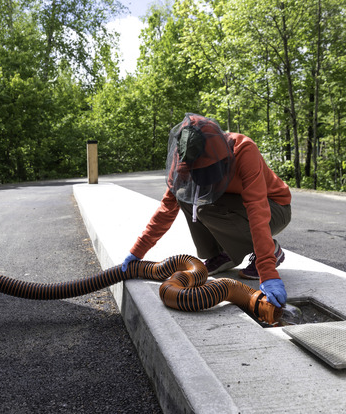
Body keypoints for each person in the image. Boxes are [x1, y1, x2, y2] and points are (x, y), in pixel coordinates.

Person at [121, 113, 292, 308]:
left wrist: (267, 271)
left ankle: (273, 250)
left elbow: (257, 210)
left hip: (275, 207)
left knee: (205, 209)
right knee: (185, 195)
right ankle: (223, 253)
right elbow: (167, 209)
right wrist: (137, 251)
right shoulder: (183, 159)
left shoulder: (244, 150)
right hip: (237, 205)